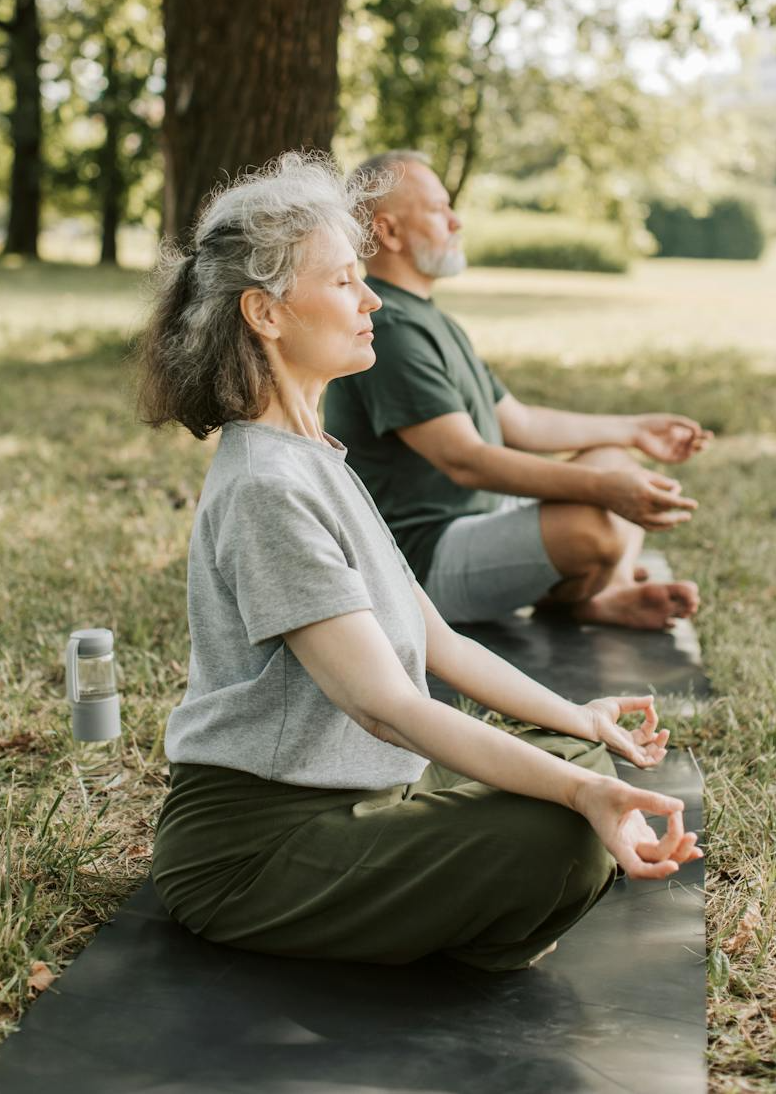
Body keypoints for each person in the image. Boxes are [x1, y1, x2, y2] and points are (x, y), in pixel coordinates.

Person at [137, 151, 701, 972]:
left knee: (577, 759)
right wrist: (580, 794)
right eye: (342, 283)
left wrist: (579, 722)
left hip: (369, 793)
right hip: (256, 849)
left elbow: (441, 643)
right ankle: (464, 910)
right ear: (265, 313)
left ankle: (459, 895)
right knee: (564, 833)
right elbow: (387, 707)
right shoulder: (266, 485)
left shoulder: (315, 456)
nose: (371, 300)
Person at [324, 150, 714, 629]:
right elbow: (464, 460)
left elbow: (521, 423)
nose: (456, 221)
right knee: (596, 526)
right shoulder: (391, 329)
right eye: (438, 210)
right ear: (389, 232)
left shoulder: (429, 318)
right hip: (419, 560)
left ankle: (602, 595)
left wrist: (634, 430)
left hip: (480, 519)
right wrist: (603, 490)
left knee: (615, 460)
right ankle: (592, 591)